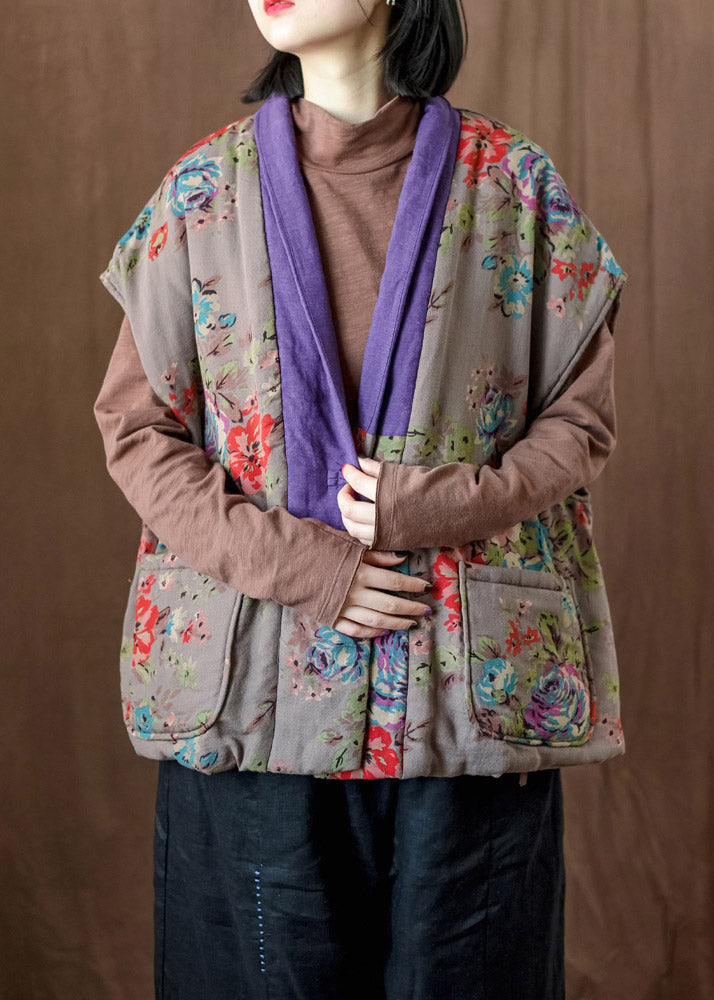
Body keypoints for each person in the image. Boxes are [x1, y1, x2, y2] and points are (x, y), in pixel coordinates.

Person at [94, 1, 626, 997]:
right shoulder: (200, 194)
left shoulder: (515, 186)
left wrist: (440, 503)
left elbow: (580, 423)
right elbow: (137, 430)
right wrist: (304, 565)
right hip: (251, 717)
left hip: (466, 717)